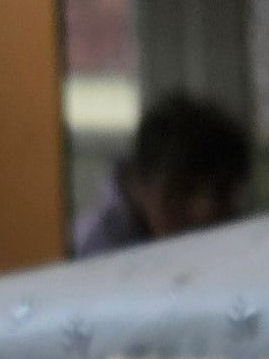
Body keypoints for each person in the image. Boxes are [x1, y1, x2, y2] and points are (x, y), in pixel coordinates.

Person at [71, 89, 253, 257]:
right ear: (139, 181)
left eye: (221, 193)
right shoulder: (93, 250)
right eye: (184, 191)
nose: (205, 211)